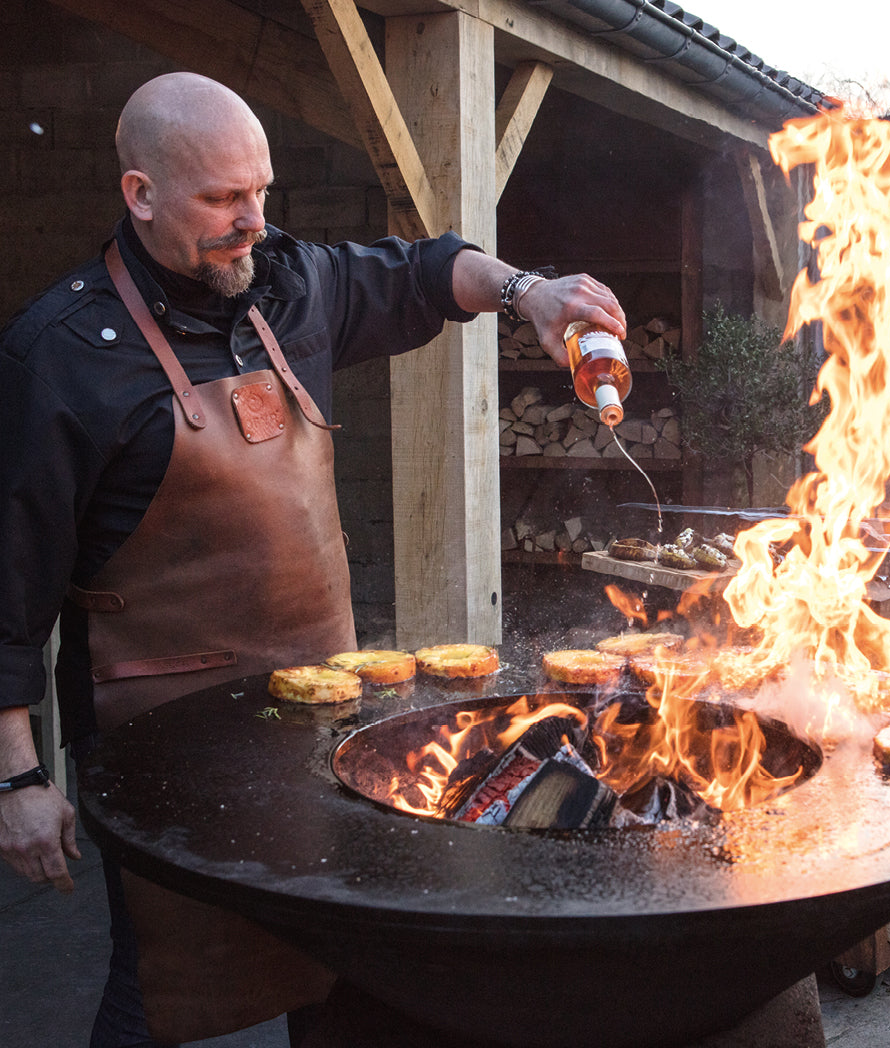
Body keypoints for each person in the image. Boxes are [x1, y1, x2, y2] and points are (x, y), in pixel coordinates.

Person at [0, 71, 626, 1046]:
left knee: (338, 964)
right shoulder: (60, 353)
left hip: (328, 718)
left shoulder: (287, 283)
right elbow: (11, 587)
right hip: (160, 744)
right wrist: (17, 782)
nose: (253, 221)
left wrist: (528, 293)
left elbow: (427, 271)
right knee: (166, 979)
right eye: (220, 200)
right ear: (140, 193)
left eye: (261, 192)